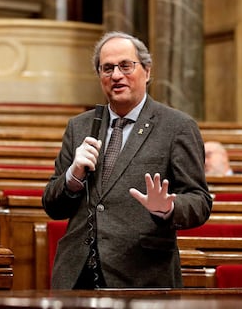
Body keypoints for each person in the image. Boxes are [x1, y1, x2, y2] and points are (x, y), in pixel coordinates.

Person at [42, 31, 212, 289]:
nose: (116, 75)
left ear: (147, 70)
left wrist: (169, 207)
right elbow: (53, 206)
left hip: (142, 274)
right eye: (107, 68)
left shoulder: (177, 126)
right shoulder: (80, 126)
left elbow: (199, 201)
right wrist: (73, 178)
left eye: (125, 65)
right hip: (76, 275)